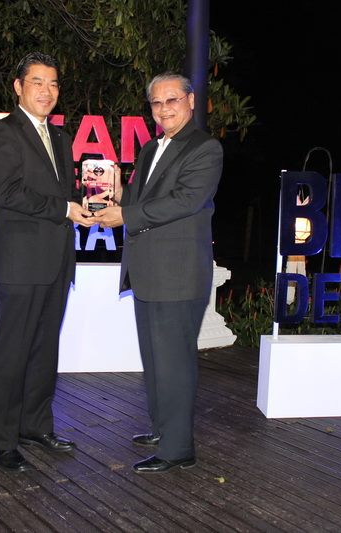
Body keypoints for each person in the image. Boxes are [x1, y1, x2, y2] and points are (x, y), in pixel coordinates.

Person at [94, 72, 223, 473]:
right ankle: (163, 429)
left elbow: (184, 201)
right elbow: (139, 200)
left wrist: (126, 215)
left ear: (190, 101)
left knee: (174, 363)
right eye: (156, 102)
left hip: (178, 274)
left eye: (172, 100)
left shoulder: (205, 148)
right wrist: (116, 191)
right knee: (155, 360)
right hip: (149, 271)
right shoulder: (151, 148)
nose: (164, 109)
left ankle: (178, 448)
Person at [0, 51, 95, 472]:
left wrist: (90, 202)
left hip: (57, 261)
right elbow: (7, 193)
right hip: (19, 262)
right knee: (11, 352)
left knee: (45, 350)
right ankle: (0, 440)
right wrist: (65, 209)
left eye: (53, 83)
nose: (47, 91)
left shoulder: (61, 138)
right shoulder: (3, 133)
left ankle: (34, 426)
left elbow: (64, 195)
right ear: (18, 86)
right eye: (37, 82)